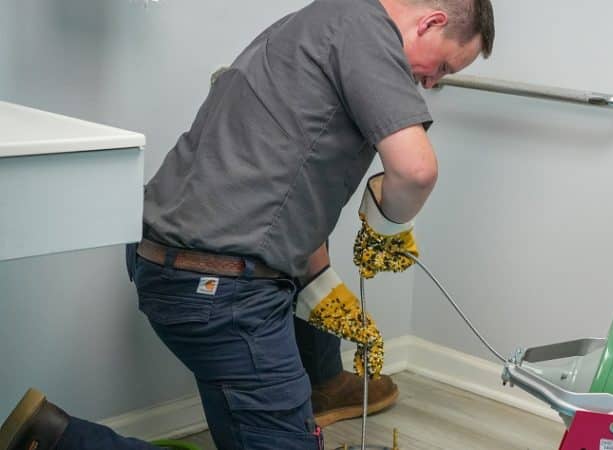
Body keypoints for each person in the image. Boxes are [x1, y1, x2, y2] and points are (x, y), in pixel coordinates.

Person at [0, 0, 494, 448]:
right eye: (443, 67)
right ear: (430, 22)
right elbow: (416, 170)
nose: (431, 84)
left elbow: (286, 175)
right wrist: (390, 227)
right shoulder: (369, 30)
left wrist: (322, 285)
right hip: (220, 286)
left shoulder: (316, 23)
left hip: (172, 261)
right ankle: (59, 443)